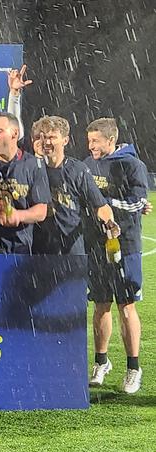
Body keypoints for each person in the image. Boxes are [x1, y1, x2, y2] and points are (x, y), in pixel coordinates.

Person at [83, 117, 148, 393]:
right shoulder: (87, 164)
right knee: (100, 304)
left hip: (124, 245)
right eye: (89, 141)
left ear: (111, 140)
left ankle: (134, 368)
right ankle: (101, 362)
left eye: (95, 141)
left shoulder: (132, 164)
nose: (91, 146)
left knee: (126, 305)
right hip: (95, 245)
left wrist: (105, 204)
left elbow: (139, 201)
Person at [31, 116, 117, 255]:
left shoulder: (78, 170)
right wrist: (38, 159)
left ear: (65, 140)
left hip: (71, 249)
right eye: (43, 137)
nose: (47, 142)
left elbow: (100, 205)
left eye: (52, 137)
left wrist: (110, 223)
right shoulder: (30, 167)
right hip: (38, 248)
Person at [0, 112, 50, 254]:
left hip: (21, 248)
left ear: (14, 134)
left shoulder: (34, 164)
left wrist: (18, 216)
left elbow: (41, 210)